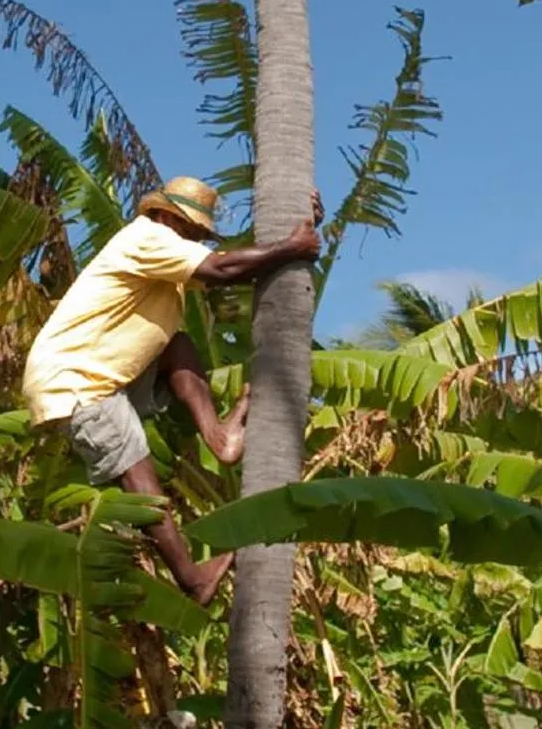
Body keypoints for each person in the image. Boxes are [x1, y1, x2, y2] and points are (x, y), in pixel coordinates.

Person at [22, 176, 322, 606]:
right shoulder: (147, 238)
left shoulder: (166, 255)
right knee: (136, 467)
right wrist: (292, 247)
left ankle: (218, 436)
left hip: (107, 373)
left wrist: (300, 224)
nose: (193, 240)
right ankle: (191, 579)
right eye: (190, 229)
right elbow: (223, 268)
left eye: (198, 234)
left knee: (178, 344)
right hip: (76, 379)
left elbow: (240, 265)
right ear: (163, 216)